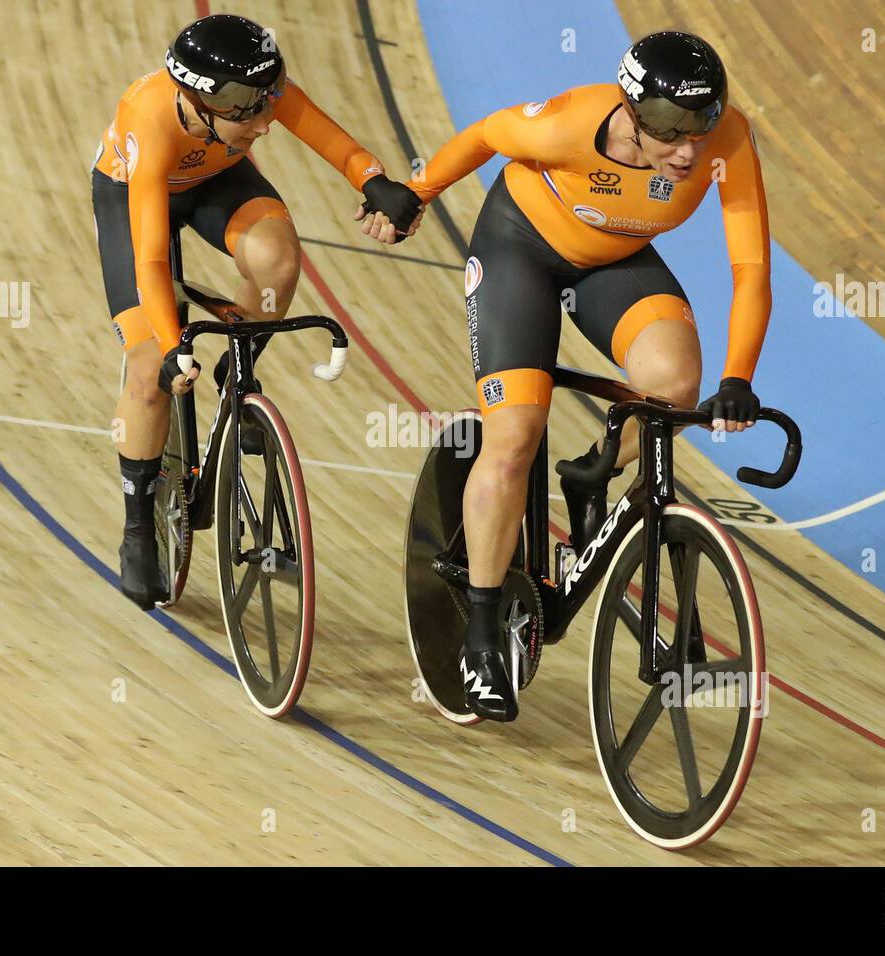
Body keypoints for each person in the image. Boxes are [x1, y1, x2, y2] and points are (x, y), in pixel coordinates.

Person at [407, 31, 771, 720]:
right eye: (669, 130)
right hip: (521, 252)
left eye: (702, 125)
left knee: (673, 388)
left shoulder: (727, 142)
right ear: (632, 113)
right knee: (514, 436)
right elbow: (487, 133)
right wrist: (416, 193)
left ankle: (592, 472)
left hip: (614, 261)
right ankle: (483, 634)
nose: (689, 149)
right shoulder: (572, 123)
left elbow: (751, 267)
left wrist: (739, 375)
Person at [92, 14, 421, 608]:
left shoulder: (250, 92)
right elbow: (149, 259)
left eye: (270, 96)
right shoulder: (150, 117)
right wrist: (170, 345)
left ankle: (233, 370)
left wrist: (375, 182)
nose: (267, 120)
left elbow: (330, 139)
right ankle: (139, 525)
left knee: (277, 260)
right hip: (135, 196)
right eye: (249, 108)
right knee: (147, 373)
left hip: (215, 178)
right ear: (198, 97)